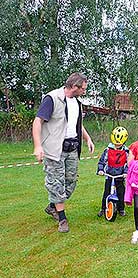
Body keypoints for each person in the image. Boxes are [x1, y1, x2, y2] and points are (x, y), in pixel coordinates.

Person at [32, 72, 95, 233]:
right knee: (56, 183)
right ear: (74, 87)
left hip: (72, 148)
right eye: (83, 89)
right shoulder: (52, 99)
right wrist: (38, 146)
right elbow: (37, 121)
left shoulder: (77, 103)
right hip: (55, 149)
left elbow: (76, 125)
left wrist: (88, 139)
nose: (84, 92)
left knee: (71, 182)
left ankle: (53, 206)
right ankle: (62, 219)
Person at [97, 126, 129, 217]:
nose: (117, 145)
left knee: (121, 192)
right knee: (106, 192)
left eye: (119, 144)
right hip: (109, 175)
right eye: (116, 144)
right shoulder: (107, 150)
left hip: (120, 176)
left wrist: (126, 173)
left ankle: (121, 209)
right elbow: (102, 161)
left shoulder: (126, 152)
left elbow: (128, 163)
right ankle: (103, 208)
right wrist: (100, 170)